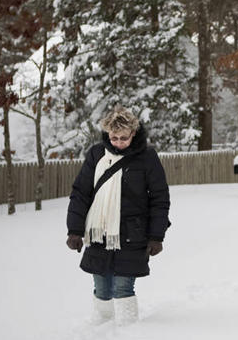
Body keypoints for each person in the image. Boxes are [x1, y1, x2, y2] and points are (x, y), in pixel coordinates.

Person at [65, 106, 170, 325]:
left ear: (134, 134)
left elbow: (159, 198)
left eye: (124, 138)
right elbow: (81, 193)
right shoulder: (96, 154)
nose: (119, 143)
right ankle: (101, 329)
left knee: (123, 287)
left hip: (133, 233)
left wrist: (156, 236)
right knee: (102, 288)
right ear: (107, 134)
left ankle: (126, 334)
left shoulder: (147, 157)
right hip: (99, 231)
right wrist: (74, 230)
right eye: (114, 138)